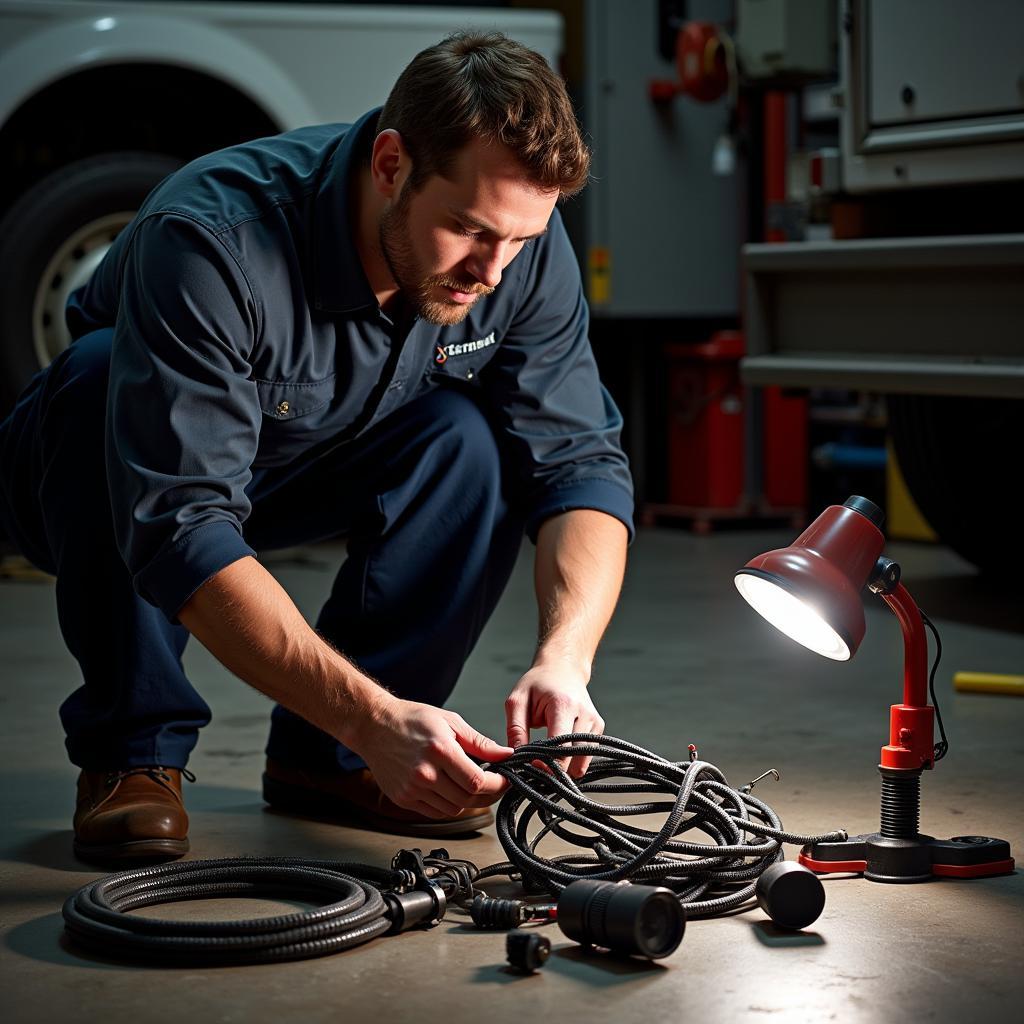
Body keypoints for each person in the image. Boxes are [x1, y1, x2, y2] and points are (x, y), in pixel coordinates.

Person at [0, 32, 633, 864]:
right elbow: (181, 523)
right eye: (470, 231)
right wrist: (370, 714)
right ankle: (133, 756)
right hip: (106, 483)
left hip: (300, 465)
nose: (492, 271)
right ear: (391, 165)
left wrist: (566, 658)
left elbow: (580, 463)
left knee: (468, 443)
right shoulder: (212, 238)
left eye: (518, 242)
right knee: (95, 377)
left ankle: (329, 765)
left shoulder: (518, 246)